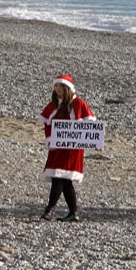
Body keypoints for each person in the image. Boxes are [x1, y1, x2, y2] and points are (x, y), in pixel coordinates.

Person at [39, 74, 95, 222]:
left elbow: (89, 127)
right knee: (64, 180)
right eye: (55, 86)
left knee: (59, 178)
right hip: (56, 147)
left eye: (59, 86)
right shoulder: (54, 104)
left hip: (72, 149)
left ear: (67, 87)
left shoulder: (79, 104)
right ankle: (73, 212)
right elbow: (47, 125)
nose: (57, 89)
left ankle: (50, 210)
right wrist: (49, 140)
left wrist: (95, 143)